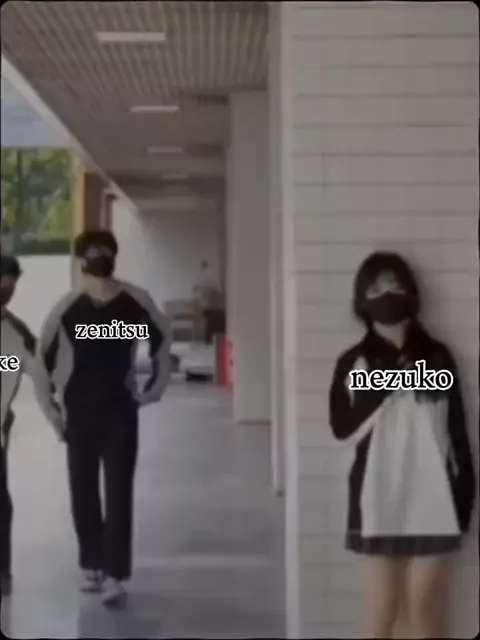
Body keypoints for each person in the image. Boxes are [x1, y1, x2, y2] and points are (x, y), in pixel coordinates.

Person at [328, 252, 475, 639]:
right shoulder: (353, 362)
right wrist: (387, 381)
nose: (387, 292)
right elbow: (342, 430)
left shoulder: (438, 357)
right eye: (376, 286)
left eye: (394, 283)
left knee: (425, 613)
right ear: (362, 298)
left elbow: (457, 431)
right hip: (377, 499)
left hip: (434, 499)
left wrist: (465, 497)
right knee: (383, 614)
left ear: (410, 291)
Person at [32, 230, 171, 607]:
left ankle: (115, 574)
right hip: (79, 410)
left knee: (119, 489)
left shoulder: (134, 302)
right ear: (81, 260)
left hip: (120, 409)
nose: (100, 256)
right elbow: (41, 364)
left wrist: (151, 391)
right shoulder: (67, 308)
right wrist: (53, 414)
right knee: (83, 487)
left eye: (106, 250)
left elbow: (162, 343)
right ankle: (91, 562)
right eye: (93, 251)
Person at [0, 255, 36, 596]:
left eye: (11, 286)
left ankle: (2, 573)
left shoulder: (16, 330)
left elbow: (40, 367)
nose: (7, 291)